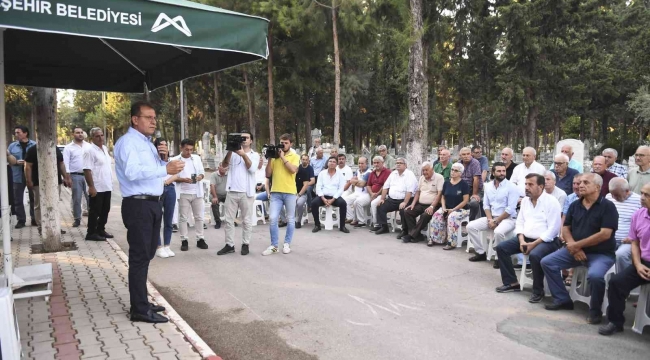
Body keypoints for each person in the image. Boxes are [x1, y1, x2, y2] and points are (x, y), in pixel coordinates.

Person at [115, 101, 185, 323]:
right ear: (135, 119)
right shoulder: (128, 143)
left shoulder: (147, 143)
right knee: (139, 257)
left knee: (147, 254)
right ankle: (139, 309)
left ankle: (142, 300)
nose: (153, 121)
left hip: (153, 203)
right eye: (148, 117)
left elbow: (155, 174)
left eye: (154, 117)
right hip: (138, 205)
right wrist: (165, 167)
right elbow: (133, 172)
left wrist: (163, 159)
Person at [541, 173, 617, 324]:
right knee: (547, 262)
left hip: (600, 253)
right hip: (575, 250)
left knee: (595, 276)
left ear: (597, 187)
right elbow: (566, 228)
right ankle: (563, 299)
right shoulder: (576, 204)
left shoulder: (608, 206)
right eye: (579, 182)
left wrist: (577, 245)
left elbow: (605, 234)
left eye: (585, 182)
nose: (580, 185)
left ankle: (595, 312)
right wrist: (574, 247)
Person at [494, 174, 562, 303]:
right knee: (502, 248)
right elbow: (519, 223)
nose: (526, 187)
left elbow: (553, 230)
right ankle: (512, 282)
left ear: (540, 186)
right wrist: (521, 240)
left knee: (535, 255)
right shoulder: (525, 201)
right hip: (526, 238)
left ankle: (538, 290)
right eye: (526, 184)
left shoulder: (551, 201)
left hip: (547, 241)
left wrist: (534, 244)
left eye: (530, 184)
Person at [599, 183, 650, 336]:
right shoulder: (639, 214)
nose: (642, 198)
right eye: (641, 193)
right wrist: (638, 264)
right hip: (644, 262)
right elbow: (634, 243)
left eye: (647, 195)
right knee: (616, 283)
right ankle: (615, 322)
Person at [467, 162, 519, 265]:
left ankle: (499, 257)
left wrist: (496, 221)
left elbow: (510, 209)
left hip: (508, 219)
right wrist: (490, 220)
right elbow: (486, 205)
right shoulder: (488, 186)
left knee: (498, 232)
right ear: (493, 173)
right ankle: (481, 252)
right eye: (499, 171)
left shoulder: (511, 187)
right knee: (470, 226)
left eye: (503, 171)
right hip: (492, 217)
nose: (502, 173)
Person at [217, 130, 259, 256]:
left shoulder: (254, 155)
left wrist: (243, 155)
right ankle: (229, 245)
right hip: (232, 191)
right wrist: (230, 150)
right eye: (242, 138)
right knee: (228, 220)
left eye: (246, 138)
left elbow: (252, 169)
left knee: (246, 220)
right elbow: (224, 165)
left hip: (246, 193)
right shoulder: (233, 153)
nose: (244, 140)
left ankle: (245, 244)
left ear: (251, 141)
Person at [263, 133, 300, 255]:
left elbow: (293, 170)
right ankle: (274, 245)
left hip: (290, 192)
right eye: (282, 143)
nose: (283, 145)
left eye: (286, 143)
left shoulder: (294, 156)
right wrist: (269, 158)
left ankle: (286, 244)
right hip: (276, 192)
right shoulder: (274, 157)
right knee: (273, 218)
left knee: (290, 219)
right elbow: (268, 174)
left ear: (291, 144)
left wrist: (283, 157)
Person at [170, 139, 207, 252]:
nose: (189, 152)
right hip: (183, 193)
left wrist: (200, 177)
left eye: (191, 149)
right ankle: (184, 240)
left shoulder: (196, 158)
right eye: (186, 149)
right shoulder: (175, 160)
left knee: (199, 217)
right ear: (181, 148)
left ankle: (200, 238)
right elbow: (172, 177)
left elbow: (202, 172)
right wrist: (182, 179)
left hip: (197, 192)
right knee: (183, 218)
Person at [24, 144, 67, 234]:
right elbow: (28, 166)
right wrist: (29, 180)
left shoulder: (55, 148)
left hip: (56, 181)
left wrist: (66, 177)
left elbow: (61, 164)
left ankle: (55, 226)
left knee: (55, 204)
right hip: (38, 182)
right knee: (39, 205)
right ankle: (41, 227)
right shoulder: (33, 150)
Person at [399, 162, 443, 243]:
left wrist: (432, 206)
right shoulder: (422, 178)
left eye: (426, 170)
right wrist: (413, 204)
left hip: (433, 205)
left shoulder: (439, 178)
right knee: (407, 212)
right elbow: (418, 192)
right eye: (423, 170)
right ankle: (417, 235)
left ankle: (411, 235)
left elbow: (439, 194)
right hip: (421, 204)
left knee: (425, 215)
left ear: (432, 169)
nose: (425, 172)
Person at [83, 127, 114, 241]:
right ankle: (91, 232)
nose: (100, 138)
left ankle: (100, 229)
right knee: (95, 211)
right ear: (92, 138)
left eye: (101, 135)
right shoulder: (89, 151)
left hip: (106, 186)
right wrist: (91, 187)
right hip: (97, 187)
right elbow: (87, 169)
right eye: (97, 136)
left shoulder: (104, 148)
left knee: (105, 210)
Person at [372, 158, 417, 235]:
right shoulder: (393, 173)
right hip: (392, 200)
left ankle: (405, 230)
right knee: (380, 206)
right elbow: (386, 186)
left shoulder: (409, 174)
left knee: (404, 210)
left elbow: (410, 191)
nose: (398, 164)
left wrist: (405, 202)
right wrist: (382, 199)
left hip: (405, 199)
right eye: (397, 163)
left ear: (405, 165)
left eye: (400, 163)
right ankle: (384, 227)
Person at [430, 163, 470, 249]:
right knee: (437, 215)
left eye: (456, 170)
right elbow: (443, 197)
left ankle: (451, 242)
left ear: (460, 173)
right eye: (452, 169)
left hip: (461, 209)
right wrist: (444, 208)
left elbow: (465, 200)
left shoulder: (464, 185)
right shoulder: (447, 183)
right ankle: (436, 238)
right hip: (447, 207)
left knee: (452, 217)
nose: (453, 172)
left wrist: (454, 209)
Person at [606, 178, 642, 272]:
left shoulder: (638, 200)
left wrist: (633, 238)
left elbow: (643, 224)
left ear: (627, 191)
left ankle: (623, 282)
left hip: (629, 241)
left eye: (617, 195)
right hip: (609, 239)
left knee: (620, 255)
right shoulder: (608, 197)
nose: (613, 197)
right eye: (612, 194)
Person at [311, 156, 350, 233]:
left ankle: (342, 226)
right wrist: (323, 198)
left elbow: (340, 189)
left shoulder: (340, 175)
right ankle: (317, 225)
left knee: (343, 204)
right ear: (327, 163)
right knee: (313, 203)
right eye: (330, 161)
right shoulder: (322, 173)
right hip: (323, 196)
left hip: (335, 197)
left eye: (334, 162)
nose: (332, 163)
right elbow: (318, 187)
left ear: (336, 164)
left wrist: (333, 199)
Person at [8, 125, 36, 228]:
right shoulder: (12, 146)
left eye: (18, 132)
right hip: (17, 176)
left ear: (25, 133)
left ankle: (34, 219)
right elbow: (7, 159)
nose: (16, 135)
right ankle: (21, 220)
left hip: (31, 175)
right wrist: (15, 162)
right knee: (17, 199)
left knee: (34, 198)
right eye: (15, 133)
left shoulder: (34, 145)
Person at [63, 126, 91, 228]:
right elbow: (65, 163)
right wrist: (67, 177)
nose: (80, 134)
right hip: (76, 176)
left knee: (90, 198)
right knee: (77, 198)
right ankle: (77, 219)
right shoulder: (68, 148)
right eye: (77, 132)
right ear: (73, 134)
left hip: (89, 176)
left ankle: (92, 220)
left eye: (81, 132)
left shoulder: (89, 146)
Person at [155, 138, 178, 259]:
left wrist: (166, 182)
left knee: (169, 219)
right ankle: (158, 246)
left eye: (165, 145)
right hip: (157, 190)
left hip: (169, 189)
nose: (163, 147)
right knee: (157, 219)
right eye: (160, 145)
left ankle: (167, 245)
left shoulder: (171, 160)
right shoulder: (154, 160)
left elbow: (176, 174)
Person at [354, 156, 390, 228]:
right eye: (374, 163)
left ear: (382, 163)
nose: (376, 164)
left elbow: (385, 186)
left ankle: (376, 224)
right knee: (357, 202)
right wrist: (371, 194)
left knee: (374, 204)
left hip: (383, 195)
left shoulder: (387, 172)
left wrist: (376, 194)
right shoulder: (372, 173)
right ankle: (362, 221)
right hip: (371, 194)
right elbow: (368, 185)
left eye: (378, 162)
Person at [343, 156, 370, 226]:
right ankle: (350, 217)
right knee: (345, 201)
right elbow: (352, 181)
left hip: (365, 193)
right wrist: (358, 182)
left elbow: (362, 184)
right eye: (359, 163)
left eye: (362, 163)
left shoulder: (369, 172)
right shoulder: (357, 171)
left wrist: (356, 182)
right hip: (356, 192)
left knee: (357, 202)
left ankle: (361, 221)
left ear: (366, 163)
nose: (360, 165)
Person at [457, 147, 482, 220]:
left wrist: (474, 194)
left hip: (474, 189)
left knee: (474, 203)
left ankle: (471, 220)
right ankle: (457, 220)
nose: (466, 156)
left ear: (471, 154)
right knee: (452, 198)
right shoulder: (458, 164)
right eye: (464, 154)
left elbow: (476, 179)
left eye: (468, 154)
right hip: (462, 190)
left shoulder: (475, 163)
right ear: (460, 155)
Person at [295, 153, 315, 229]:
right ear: (301, 160)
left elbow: (312, 181)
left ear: (308, 161)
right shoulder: (298, 168)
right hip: (295, 190)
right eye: (303, 159)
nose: (304, 161)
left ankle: (310, 206)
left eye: (306, 160)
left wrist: (305, 184)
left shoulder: (310, 168)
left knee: (308, 189)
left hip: (306, 188)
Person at [209, 164, 228, 230]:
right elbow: (212, 186)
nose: (223, 168)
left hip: (226, 195)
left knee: (235, 201)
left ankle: (233, 220)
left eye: (225, 167)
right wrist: (215, 197)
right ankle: (218, 221)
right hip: (216, 194)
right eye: (222, 166)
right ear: (218, 167)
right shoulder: (214, 175)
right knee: (215, 203)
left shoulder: (229, 174)